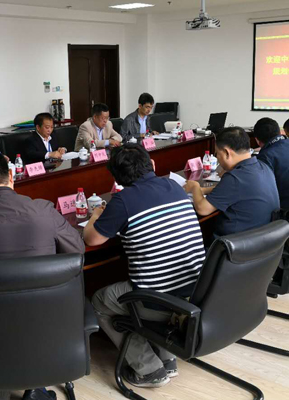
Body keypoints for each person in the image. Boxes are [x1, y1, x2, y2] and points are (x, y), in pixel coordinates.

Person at [0, 150, 84, 400]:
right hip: (49, 322)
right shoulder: (44, 210)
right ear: (11, 176)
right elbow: (77, 250)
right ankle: (35, 386)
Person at [84, 144, 206, 389]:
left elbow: (91, 239)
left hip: (159, 302)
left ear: (117, 179)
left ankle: (148, 370)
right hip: (196, 293)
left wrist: (96, 216)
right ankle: (167, 358)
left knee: (99, 301)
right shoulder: (173, 186)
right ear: (152, 164)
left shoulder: (123, 201)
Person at [185, 127, 280, 237]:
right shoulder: (263, 166)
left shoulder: (235, 177)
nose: (218, 158)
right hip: (265, 239)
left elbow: (202, 209)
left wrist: (195, 187)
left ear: (226, 153)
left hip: (236, 243)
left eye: (217, 154)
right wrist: (204, 190)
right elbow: (237, 190)